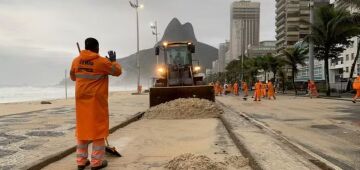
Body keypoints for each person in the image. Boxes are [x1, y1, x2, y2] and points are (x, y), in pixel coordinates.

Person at [70, 38, 122, 170]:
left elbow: (73, 77)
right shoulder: (101, 62)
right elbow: (117, 72)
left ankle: (81, 161)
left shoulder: (76, 60)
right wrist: (113, 61)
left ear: (85, 47)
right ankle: (96, 163)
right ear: (97, 48)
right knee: (98, 130)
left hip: (81, 102)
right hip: (96, 103)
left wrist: (84, 68)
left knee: (83, 130)